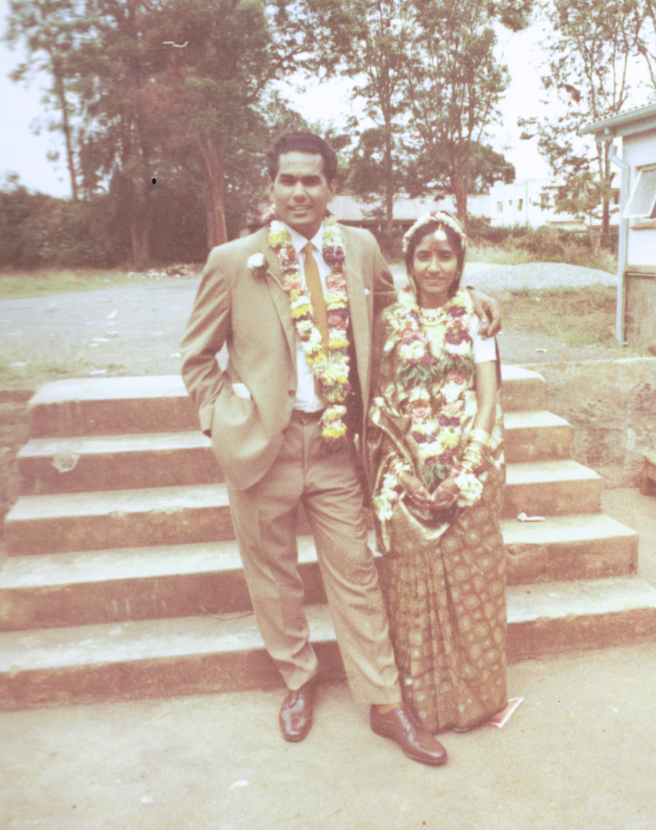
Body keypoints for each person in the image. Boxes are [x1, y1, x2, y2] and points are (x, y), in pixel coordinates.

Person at [181, 132, 502, 765]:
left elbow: (401, 308)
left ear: (331, 188)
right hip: (261, 446)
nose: (299, 192)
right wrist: (222, 419)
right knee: (271, 574)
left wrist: (473, 298)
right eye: (287, 181)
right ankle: (297, 681)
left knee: (355, 573)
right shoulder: (233, 260)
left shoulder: (357, 250)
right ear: (270, 187)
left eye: (312, 181)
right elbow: (196, 358)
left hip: (334, 445)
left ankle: (386, 704)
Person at [367, 211, 508, 734]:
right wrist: (404, 471)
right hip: (406, 465)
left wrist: (467, 465)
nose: (433, 265)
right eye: (423, 255)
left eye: (444, 255)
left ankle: (474, 700)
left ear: (459, 263)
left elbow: (488, 398)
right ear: (408, 263)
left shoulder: (477, 319)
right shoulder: (390, 322)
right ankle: (424, 705)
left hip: (470, 461)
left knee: (471, 575)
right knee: (413, 580)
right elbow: (383, 398)